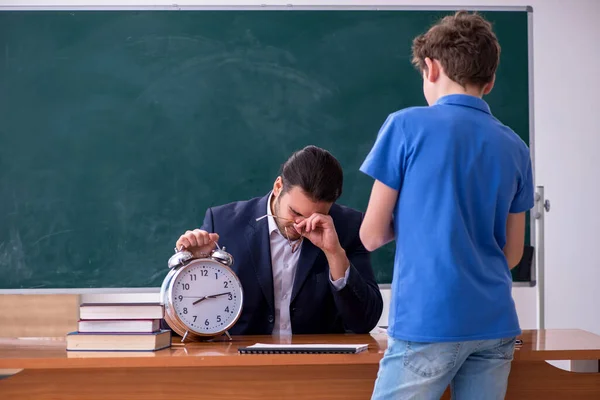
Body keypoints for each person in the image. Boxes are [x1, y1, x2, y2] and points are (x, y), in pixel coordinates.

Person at [359, 11, 534, 399]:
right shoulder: (515, 146)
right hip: (494, 325)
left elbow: (370, 236)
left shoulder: (405, 126)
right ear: (488, 82)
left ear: (431, 67)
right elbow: (512, 252)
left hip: (427, 323)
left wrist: (413, 222)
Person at [175, 145, 383, 336]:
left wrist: (334, 253)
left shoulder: (349, 226)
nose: (300, 225)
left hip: (317, 365)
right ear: (278, 186)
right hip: (241, 363)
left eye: (313, 218)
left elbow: (364, 322)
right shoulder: (222, 224)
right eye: (294, 212)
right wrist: (193, 264)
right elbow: (181, 322)